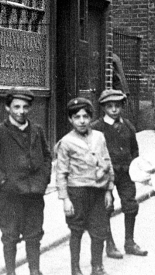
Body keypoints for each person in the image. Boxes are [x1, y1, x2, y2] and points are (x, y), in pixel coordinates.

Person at [0, 87, 52, 275]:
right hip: (10, 195)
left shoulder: (37, 130)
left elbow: (47, 157)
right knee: (10, 235)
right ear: (7, 108)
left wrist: (43, 180)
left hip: (34, 193)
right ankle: (11, 272)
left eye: (25, 107)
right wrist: (2, 181)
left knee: (34, 233)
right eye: (16, 106)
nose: (21, 111)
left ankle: (35, 270)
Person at [56, 97, 114, 275]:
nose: (82, 121)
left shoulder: (99, 137)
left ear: (90, 118)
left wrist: (109, 191)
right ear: (70, 120)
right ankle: (75, 268)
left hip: (98, 191)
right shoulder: (66, 142)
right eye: (77, 117)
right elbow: (61, 173)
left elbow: (107, 162)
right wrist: (65, 199)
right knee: (77, 230)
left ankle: (96, 266)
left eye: (85, 116)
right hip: (77, 192)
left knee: (99, 230)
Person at [91, 89, 147, 260]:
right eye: (110, 106)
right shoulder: (97, 128)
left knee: (131, 204)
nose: (114, 110)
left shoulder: (128, 126)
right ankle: (110, 244)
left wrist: (134, 165)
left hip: (125, 172)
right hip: (106, 173)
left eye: (117, 106)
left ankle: (129, 242)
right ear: (103, 108)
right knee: (106, 206)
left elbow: (134, 148)